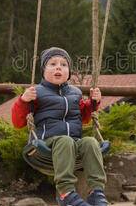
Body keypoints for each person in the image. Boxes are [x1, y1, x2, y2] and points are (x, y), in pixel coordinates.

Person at [12, 47, 108, 206]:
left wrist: (93, 103)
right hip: (47, 143)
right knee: (64, 140)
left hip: (73, 143)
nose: (58, 67)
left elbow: (83, 117)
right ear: (43, 70)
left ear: (69, 72)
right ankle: (66, 193)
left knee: (90, 142)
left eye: (64, 64)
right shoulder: (37, 92)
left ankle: (96, 192)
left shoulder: (75, 93)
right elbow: (18, 122)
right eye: (52, 64)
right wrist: (23, 100)